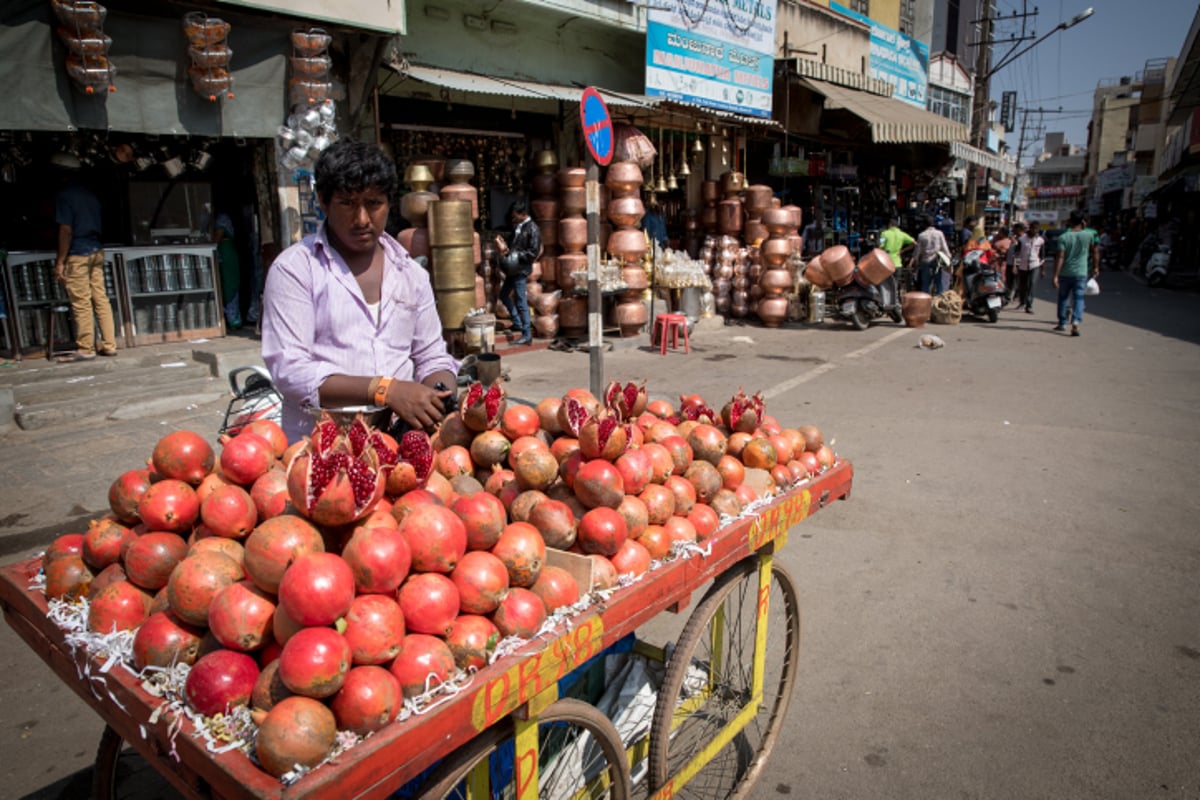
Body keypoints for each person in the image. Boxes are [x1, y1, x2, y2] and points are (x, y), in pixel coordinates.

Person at [261, 140, 459, 444]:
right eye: (347, 203)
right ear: (323, 202)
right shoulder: (295, 269)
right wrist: (386, 390)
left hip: (397, 443)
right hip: (317, 445)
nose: (362, 219)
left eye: (374, 203)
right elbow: (291, 371)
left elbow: (431, 355)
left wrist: (440, 392)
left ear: (389, 203)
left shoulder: (412, 274)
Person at [52, 152, 117, 362]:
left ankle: (86, 348)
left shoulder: (65, 195)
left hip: (79, 251)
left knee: (81, 301)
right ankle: (109, 344)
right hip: (96, 249)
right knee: (100, 297)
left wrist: (60, 261)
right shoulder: (89, 194)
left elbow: (66, 230)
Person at [494, 198, 540, 346]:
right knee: (503, 295)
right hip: (513, 268)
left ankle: (526, 334)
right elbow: (514, 245)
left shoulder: (532, 228)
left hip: (520, 268)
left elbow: (533, 252)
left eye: (515, 215)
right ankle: (517, 322)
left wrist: (516, 255)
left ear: (523, 214)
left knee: (521, 301)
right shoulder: (518, 227)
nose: (513, 218)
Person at [1052, 210, 1098, 337]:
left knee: (1063, 298)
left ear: (1070, 221)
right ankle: (1076, 322)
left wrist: (1055, 275)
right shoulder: (1089, 236)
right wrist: (1095, 267)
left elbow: (1060, 257)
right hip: (1081, 273)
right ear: (1083, 221)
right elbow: (1094, 252)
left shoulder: (1063, 237)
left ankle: (1062, 322)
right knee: (1078, 298)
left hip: (1065, 273)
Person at [213, 208, 242, 330]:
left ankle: (233, 319)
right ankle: (232, 318)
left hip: (227, 255)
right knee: (228, 285)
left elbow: (217, 238)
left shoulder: (221, 219)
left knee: (229, 286)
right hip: (227, 254)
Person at [908, 215, 951, 295]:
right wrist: (949, 259)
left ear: (924, 224)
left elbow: (918, 251)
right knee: (938, 283)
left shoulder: (922, 235)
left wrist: (915, 262)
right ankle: (939, 301)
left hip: (926, 261)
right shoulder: (939, 234)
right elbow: (944, 247)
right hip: (937, 260)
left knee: (925, 284)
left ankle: (925, 302)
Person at [1013, 222, 1044, 313]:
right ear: (1030, 228)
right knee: (1023, 285)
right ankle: (1022, 302)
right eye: (1033, 228)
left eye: (1036, 229)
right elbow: (1016, 253)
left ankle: (1029, 305)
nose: (1035, 231)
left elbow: (1042, 255)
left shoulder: (1041, 240)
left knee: (1032, 284)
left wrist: (1043, 269)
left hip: (1035, 265)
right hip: (1023, 265)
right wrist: (1015, 265)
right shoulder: (1022, 239)